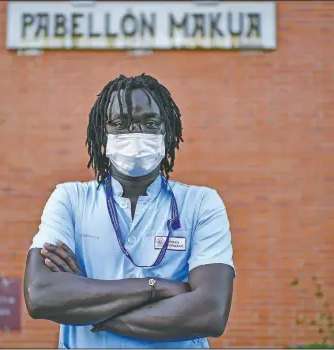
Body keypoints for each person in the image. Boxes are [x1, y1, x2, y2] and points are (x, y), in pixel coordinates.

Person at [24, 73, 236, 349]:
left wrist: (91, 308)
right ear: (103, 133)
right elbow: (41, 295)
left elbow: (209, 313)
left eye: (150, 123)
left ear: (167, 131)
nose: (135, 134)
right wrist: (155, 287)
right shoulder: (70, 199)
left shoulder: (201, 203)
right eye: (120, 124)